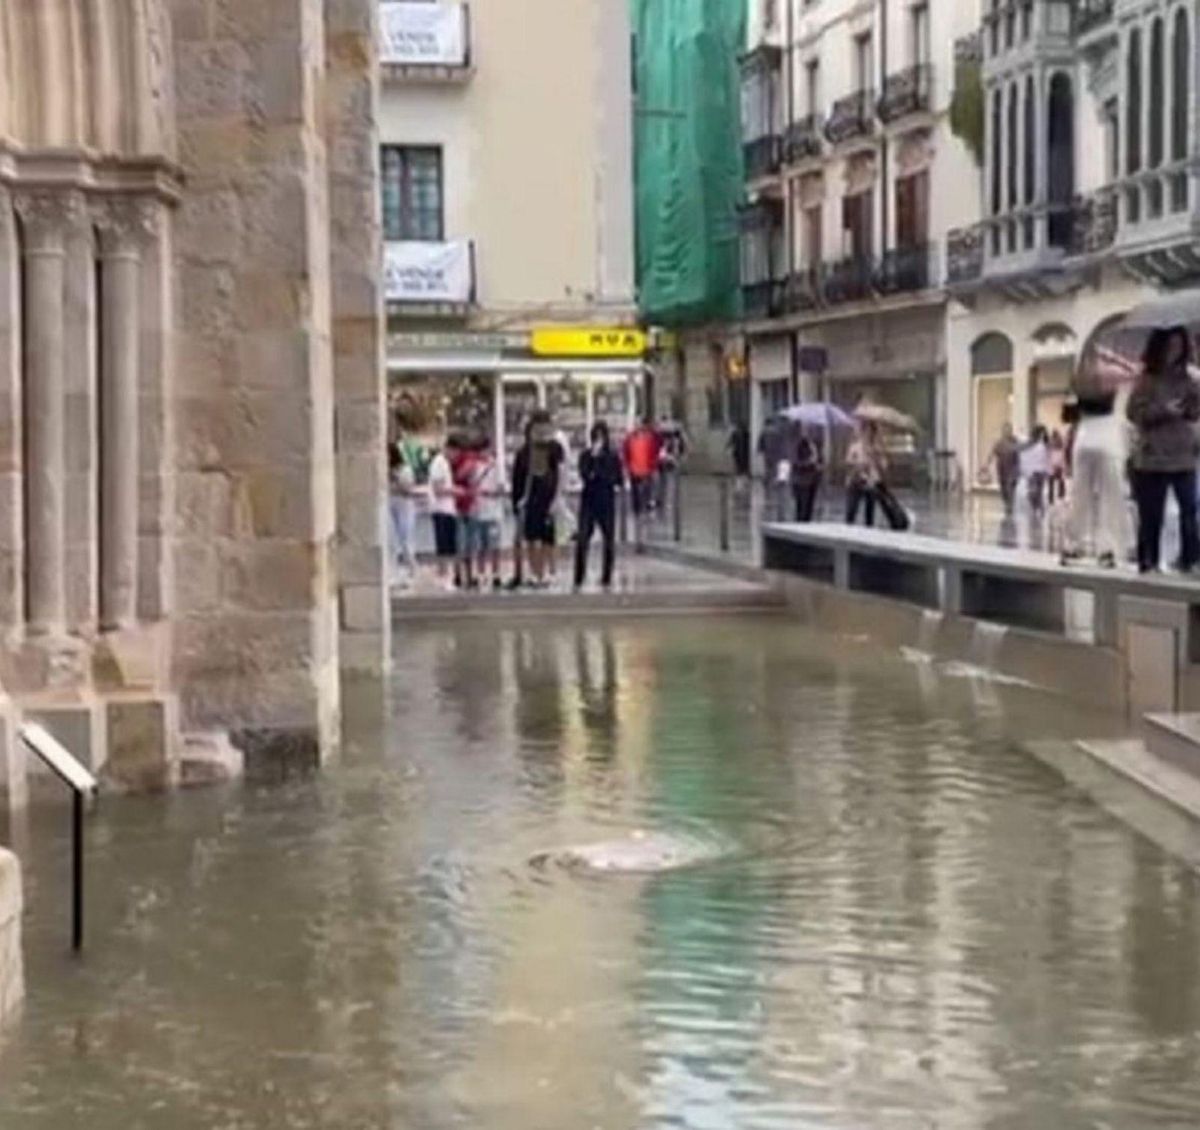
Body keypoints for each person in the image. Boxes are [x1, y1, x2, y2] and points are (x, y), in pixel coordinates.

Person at [1127, 326, 1200, 574]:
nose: (1174, 352)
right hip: (1153, 456)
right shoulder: (1146, 380)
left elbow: (1194, 413)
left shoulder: (1188, 380)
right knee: (1151, 514)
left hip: (1183, 454)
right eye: (1170, 347)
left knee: (1189, 510)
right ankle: (1149, 560)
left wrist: (1192, 406)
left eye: (1179, 347)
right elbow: (1133, 413)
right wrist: (1163, 411)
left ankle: (1190, 559)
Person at [1061, 387, 1125, 569]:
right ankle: (1106, 549)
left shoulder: (1081, 380)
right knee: (1108, 496)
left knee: (1079, 495)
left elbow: (1067, 415)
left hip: (1085, 437)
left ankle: (1073, 545)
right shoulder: (1113, 375)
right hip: (1108, 437)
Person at [512, 411, 565, 587]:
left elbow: (561, 473)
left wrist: (557, 498)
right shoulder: (524, 452)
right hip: (530, 499)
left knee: (548, 538)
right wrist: (517, 501)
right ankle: (536, 572)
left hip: (549, 498)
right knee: (532, 538)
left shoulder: (555, 448)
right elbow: (517, 479)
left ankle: (551, 571)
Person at [574, 421, 623, 590]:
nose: (599, 441)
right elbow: (585, 474)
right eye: (596, 437)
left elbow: (617, 478)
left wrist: (601, 469)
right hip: (589, 501)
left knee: (608, 539)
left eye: (601, 437)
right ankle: (579, 575)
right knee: (582, 538)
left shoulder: (612, 456)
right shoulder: (586, 456)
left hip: (606, 500)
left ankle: (606, 576)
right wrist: (593, 462)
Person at [471, 435, 505, 590]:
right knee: (481, 545)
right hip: (479, 510)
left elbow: (501, 487)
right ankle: (481, 573)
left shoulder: (495, 466)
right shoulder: (473, 467)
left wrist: (491, 493)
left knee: (494, 545)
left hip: (493, 511)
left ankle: (496, 573)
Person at [427, 436, 461, 589]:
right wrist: (456, 491)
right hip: (441, 509)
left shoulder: (445, 464)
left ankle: (447, 574)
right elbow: (438, 488)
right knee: (443, 545)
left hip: (449, 509)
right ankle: (443, 575)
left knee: (449, 545)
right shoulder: (438, 463)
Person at [623, 417, 661, 548]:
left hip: (647, 474)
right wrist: (628, 469)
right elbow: (625, 454)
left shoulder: (651, 439)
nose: (638, 426)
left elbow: (656, 453)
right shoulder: (630, 439)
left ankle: (642, 537)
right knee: (637, 507)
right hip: (635, 474)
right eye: (636, 424)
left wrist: (653, 467)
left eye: (640, 424)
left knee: (644, 505)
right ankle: (639, 537)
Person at [452, 435, 481, 589]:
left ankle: (466, 574)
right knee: (463, 542)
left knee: (466, 543)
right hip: (462, 505)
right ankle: (463, 574)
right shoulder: (461, 461)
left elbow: (461, 475)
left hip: (466, 505)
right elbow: (460, 476)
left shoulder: (465, 460)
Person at [387, 442, 418, 586]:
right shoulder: (384, 470)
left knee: (405, 538)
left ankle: (410, 568)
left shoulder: (405, 470)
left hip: (404, 505)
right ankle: (394, 571)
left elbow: (408, 489)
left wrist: (396, 479)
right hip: (390, 503)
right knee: (391, 539)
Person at [846, 421, 884, 526]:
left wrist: (876, 458)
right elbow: (848, 461)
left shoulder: (876, 448)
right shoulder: (855, 446)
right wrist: (859, 464)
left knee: (870, 513)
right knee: (851, 511)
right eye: (866, 431)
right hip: (856, 480)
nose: (868, 435)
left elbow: (883, 465)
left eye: (871, 432)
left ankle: (869, 532)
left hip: (871, 482)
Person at [983, 422, 1022, 514]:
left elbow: (1020, 456)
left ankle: (1010, 505)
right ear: (1003, 431)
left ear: (1011, 431)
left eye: (1009, 430)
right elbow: (992, 454)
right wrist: (986, 465)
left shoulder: (1015, 442)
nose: (1007, 432)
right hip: (1002, 470)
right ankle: (1007, 502)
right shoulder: (999, 443)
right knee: (1004, 489)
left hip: (1013, 469)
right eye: (1005, 430)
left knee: (1011, 488)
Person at [791, 428, 823, 522]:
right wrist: (809, 463)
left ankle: (807, 524)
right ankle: (799, 525)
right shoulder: (799, 445)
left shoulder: (817, 444)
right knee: (802, 507)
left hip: (813, 480)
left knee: (809, 506)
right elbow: (795, 462)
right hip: (801, 481)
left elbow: (820, 459)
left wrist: (820, 465)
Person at [1021, 425, 1051, 516]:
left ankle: (1039, 510)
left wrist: (1047, 471)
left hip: (1040, 472)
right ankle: (1037, 508)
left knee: (1038, 492)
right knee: (1033, 492)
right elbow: (1025, 457)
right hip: (1033, 472)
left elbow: (1046, 458)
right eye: (1041, 433)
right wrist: (1025, 471)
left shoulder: (1044, 445)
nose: (1042, 436)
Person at [728, 421, 751, 486]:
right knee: (739, 466)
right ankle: (740, 480)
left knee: (743, 467)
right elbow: (731, 441)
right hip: (739, 453)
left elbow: (730, 442)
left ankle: (742, 480)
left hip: (743, 453)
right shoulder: (737, 434)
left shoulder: (746, 434)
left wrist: (728, 447)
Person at [1048, 429, 1067, 503]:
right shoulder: (1059, 444)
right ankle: (1060, 495)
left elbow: (1049, 456)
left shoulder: (1051, 444)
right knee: (1060, 481)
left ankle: (1052, 498)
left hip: (1054, 466)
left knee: (1052, 483)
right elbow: (1062, 456)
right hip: (1057, 466)